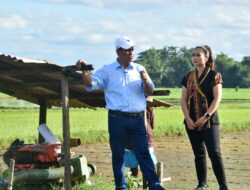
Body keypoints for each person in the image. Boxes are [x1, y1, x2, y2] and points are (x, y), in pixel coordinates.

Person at [76, 36, 165, 190]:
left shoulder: (140, 69)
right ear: (118, 51)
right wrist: (84, 71)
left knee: (143, 152)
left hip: (138, 118)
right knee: (118, 154)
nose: (131, 53)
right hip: (117, 118)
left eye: (132, 49)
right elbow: (90, 85)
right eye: (127, 50)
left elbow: (150, 90)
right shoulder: (107, 71)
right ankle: (121, 186)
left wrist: (145, 81)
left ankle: (155, 184)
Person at [181, 45, 228, 190]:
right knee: (199, 154)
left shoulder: (214, 75)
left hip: (209, 121)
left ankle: (223, 186)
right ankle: (202, 184)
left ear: (206, 57)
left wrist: (206, 116)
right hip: (192, 121)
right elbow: (183, 99)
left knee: (214, 152)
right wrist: (187, 118)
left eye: (198, 55)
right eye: (193, 55)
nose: (195, 57)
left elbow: (217, 98)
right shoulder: (187, 77)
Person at [124, 105, 157, 177]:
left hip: (130, 139)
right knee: (148, 164)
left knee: (133, 166)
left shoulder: (125, 105)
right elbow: (152, 124)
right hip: (146, 139)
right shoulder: (148, 105)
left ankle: (133, 179)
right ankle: (149, 181)